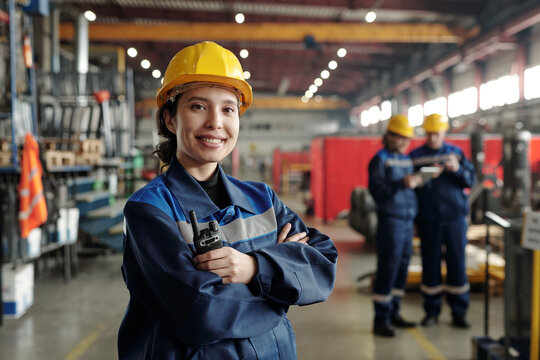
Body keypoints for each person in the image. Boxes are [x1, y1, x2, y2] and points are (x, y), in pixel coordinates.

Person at [117, 41, 338, 359]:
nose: (215, 122)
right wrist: (282, 291)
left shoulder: (262, 198)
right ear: (170, 120)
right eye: (198, 106)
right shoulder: (149, 209)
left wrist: (255, 268)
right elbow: (198, 313)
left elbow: (323, 265)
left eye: (228, 109)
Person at [409, 113, 476, 329]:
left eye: (436, 134)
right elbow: (412, 189)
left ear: (444, 133)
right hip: (429, 219)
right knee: (430, 264)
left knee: (457, 263)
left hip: (455, 218)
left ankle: (459, 312)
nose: (432, 138)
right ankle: (431, 311)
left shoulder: (455, 153)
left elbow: (471, 180)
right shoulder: (416, 156)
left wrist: (457, 169)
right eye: (429, 133)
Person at [368, 114, 421, 337]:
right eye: (401, 138)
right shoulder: (379, 160)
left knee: (401, 268)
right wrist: (402, 183)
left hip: (407, 220)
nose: (405, 142)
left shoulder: (407, 159)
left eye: (407, 138)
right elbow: (378, 192)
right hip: (391, 221)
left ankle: (394, 313)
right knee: (388, 268)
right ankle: (380, 320)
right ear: (389, 136)